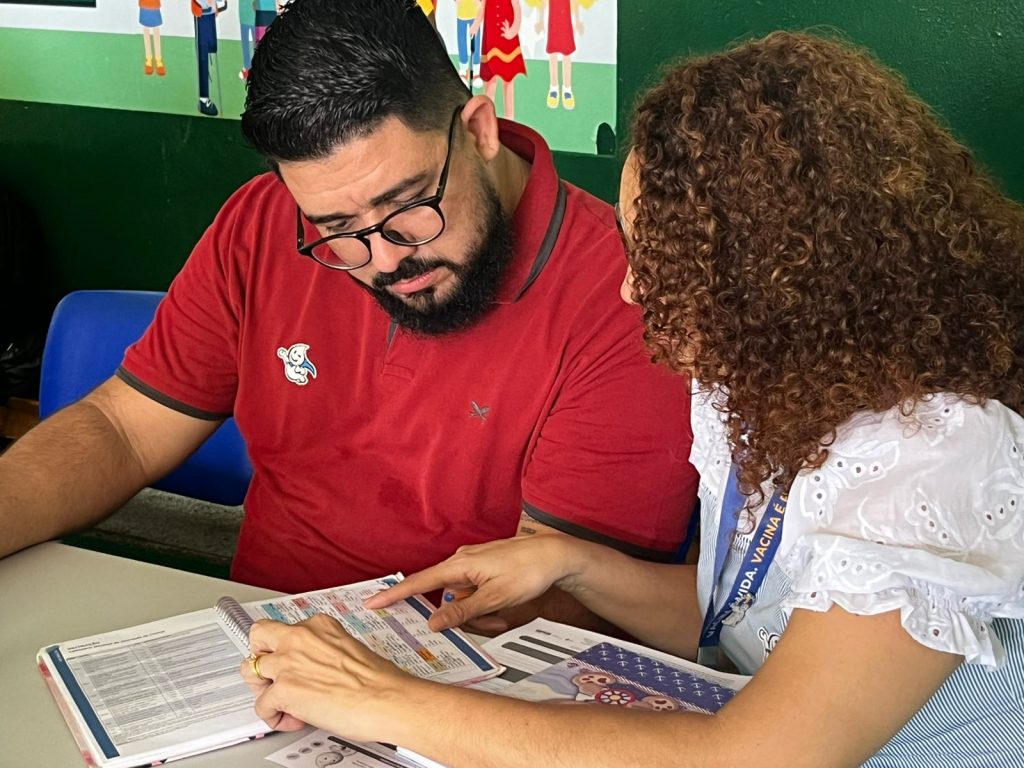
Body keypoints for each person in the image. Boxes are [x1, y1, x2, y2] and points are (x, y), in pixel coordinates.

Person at [238, 31, 1024, 767]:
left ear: (789, 277)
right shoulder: (766, 377)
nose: (632, 289)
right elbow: (754, 618)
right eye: (633, 247)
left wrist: (385, 700)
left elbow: (751, 756)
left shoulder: (940, 452)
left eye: (669, 264)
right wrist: (577, 565)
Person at [0, 0, 697, 629]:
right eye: (335, 228)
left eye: (408, 206)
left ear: (479, 130)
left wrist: (348, 682)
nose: (385, 259)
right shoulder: (262, 221)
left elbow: (559, 605)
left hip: (458, 675)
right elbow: (123, 429)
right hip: (249, 644)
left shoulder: (629, 298)